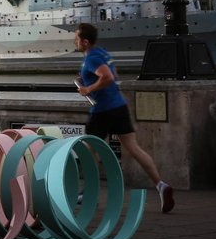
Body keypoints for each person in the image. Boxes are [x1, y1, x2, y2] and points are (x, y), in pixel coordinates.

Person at [74, 23, 175, 213]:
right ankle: (161, 185)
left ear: (85, 42)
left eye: (77, 39)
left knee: (89, 152)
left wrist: (88, 88)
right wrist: (88, 79)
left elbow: (108, 77)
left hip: (102, 111)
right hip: (119, 106)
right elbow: (114, 74)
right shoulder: (102, 53)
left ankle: (89, 193)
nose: (75, 42)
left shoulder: (92, 58)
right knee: (134, 148)